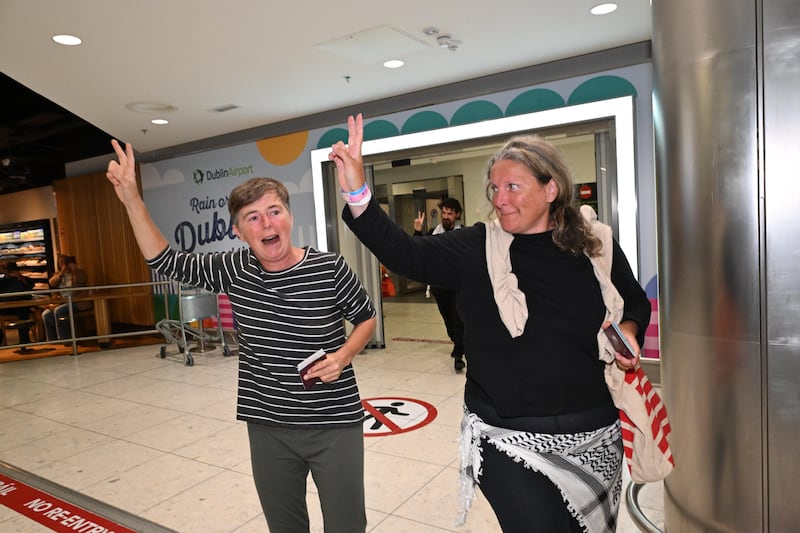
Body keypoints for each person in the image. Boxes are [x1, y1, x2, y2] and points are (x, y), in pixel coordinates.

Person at [329, 114, 651, 532]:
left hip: (592, 431)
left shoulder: (596, 244)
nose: (500, 199)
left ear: (550, 188)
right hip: (505, 435)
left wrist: (627, 332)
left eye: (513, 186)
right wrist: (357, 191)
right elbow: (408, 254)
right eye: (495, 189)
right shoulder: (475, 247)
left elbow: (634, 303)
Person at [106, 139, 377, 533]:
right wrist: (132, 199)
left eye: (274, 211)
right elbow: (164, 260)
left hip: (333, 423)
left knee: (347, 524)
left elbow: (366, 317)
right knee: (284, 525)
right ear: (237, 231)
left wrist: (344, 355)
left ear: (288, 216)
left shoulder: (330, 268)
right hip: (267, 427)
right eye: (253, 218)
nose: (267, 224)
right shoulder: (233, 268)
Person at [413, 198, 466, 371]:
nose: (446, 216)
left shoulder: (465, 234)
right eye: (444, 213)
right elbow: (418, 250)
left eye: (450, 213)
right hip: (439, 286)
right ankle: (457, 342)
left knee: (458, 320)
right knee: (449, 322)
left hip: (458, 286)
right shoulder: (433, 233)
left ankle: (459, 354)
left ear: (457, 215)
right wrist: (418, 231)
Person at [41, 254, 91, 341]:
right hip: (62, 302)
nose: (64, 265)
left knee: (59, 311)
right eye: (61, 262)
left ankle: (65, 338)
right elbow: (52, 282)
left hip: (77, 302)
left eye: (65, 262)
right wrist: (61, 273)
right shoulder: (58, 274)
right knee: (46, 314)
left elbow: (82, 280)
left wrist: (74, 270)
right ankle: (52, 339)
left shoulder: (78, 272)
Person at [0, 260, 35, 352]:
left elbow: (30, 285)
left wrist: (20, 277)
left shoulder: (21, 279)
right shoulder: (3, 281)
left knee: (23, 311)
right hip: (5, 308)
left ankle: (24, 342)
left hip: (20, 307)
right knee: (23, 311)